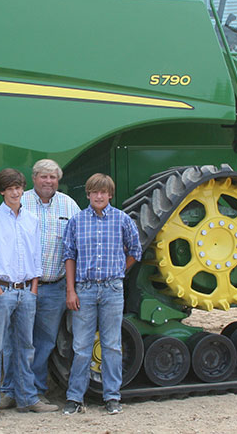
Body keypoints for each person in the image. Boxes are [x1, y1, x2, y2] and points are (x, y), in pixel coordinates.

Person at [0, 168, 58, 421]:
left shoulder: (31, 220)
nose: (15, 191)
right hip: (2, 292)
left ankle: (27, 398)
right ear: (2, 191)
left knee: (26, 347)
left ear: (23, 189)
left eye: (18, 187)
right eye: (10, 188)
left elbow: (35, 259)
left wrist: (33, 289)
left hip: (27, 293)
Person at [0, 159, 80, 408]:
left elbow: (77, 245)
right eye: (44, 177)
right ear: (33, 179)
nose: (48, 181)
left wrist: (71, 287)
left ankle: (34, 393)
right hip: (22, 287)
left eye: (53, 177)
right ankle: (10, 391)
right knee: (15, 340)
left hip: (54, 287)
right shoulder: (20, 202)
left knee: (44, 343)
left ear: (58, 180)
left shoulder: (69, 205)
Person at [61, 173, 142, 416]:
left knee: (112, 345)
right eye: (94, 192)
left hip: (112, 290)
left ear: (110, 195)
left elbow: (135, 251)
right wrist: (71, 289)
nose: (99, 196)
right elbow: (69, 256)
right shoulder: (76, 221)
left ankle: (112, 397)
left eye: (103, 192)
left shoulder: (122, 220)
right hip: (84, 290)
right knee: (82, 346)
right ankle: (75, 397)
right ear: (88, 194)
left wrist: (118, 272)